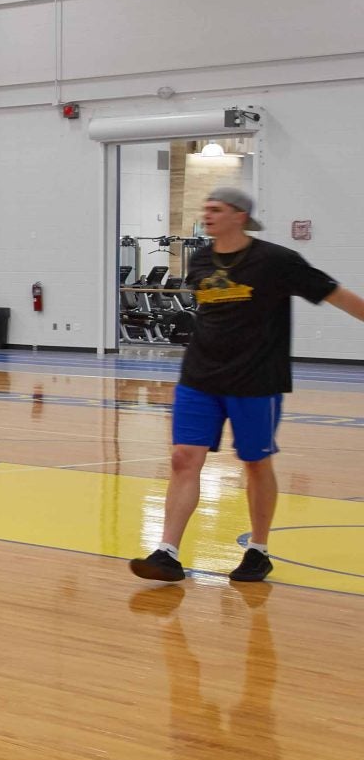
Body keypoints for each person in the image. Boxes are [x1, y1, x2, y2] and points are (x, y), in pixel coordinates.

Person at [131, 186, 364, 583]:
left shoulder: (277, 261)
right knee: (183, 457)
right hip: (199, 376)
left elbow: (335, 295)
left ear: (239, 216)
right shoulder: (201, 260)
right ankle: (167, 552)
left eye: (216, 209)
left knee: (255, 463)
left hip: (255, 380)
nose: (207, 215)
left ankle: (258, 551)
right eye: (205, 208)